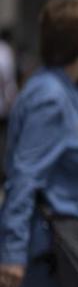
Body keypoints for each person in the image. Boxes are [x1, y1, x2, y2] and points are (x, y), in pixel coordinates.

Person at [0, 0, 78, 287]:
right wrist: (12, 253)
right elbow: (23, 177)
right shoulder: (49, 98)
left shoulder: (64, 92)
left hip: (64, 249)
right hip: (45, 255)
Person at [0, 27, 18, 184]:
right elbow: (6, 78)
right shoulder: (6, 53)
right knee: (5, 141)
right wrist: (9, 99)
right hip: (3, 106)